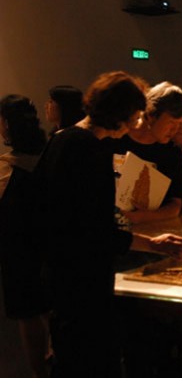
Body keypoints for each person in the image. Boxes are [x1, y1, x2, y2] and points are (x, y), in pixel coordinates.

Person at [34, 71, 182, 378]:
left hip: (58, 275)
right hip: (84, 280)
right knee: (92, 360)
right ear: (119, 115)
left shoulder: (62, 138)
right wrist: (150, 243)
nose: (136, 124)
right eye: (134, 116)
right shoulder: (90, 151)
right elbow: (97, 229)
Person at [0, 95, 51, 378]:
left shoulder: (7, 168)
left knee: (28, 315)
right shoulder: (48, 155)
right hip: (47, 245)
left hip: (18, 250)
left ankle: (39, 373)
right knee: (47, 309)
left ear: (6, 124)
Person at [111, 81, 182, 224]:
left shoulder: (171, 152)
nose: (175, 130)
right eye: (171, 122)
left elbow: (176, 205)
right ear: (151, 115)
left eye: (179, 124)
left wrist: (144, 217)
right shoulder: (116, 138)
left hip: (151, 231)